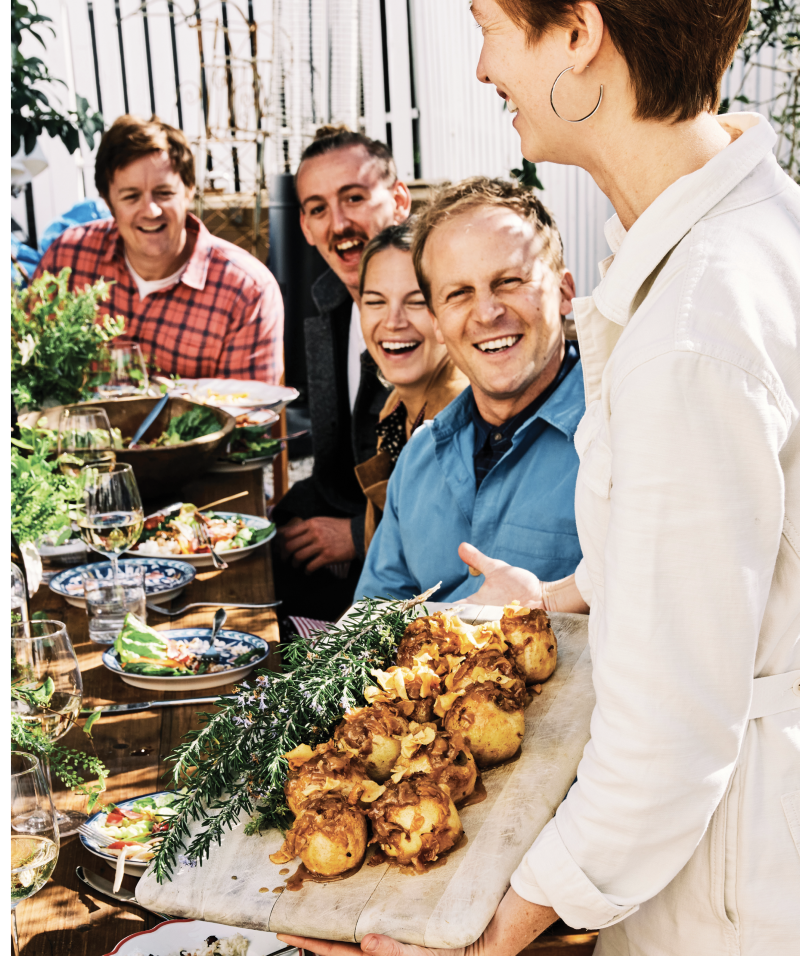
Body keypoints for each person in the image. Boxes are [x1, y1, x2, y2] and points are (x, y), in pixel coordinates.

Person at [280, 2, 800, 956]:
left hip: (726, 896)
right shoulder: (729, 241)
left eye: (489, 23)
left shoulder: (692, 327)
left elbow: (667, 746)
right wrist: (562, 600)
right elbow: (728, 567)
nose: (481, 66)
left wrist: (479, 936)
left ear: (578, 32)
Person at [356, 177, 584, 602]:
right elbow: (370, 621)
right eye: (459, 293)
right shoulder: (418, 458)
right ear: (438, 322)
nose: (487, 312)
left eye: (510, 281)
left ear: (565, 292)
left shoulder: (618, 435)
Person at [272, 126, 411, 620]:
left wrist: (353, 534)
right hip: (359, 534)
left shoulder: (436, 306)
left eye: (353, 198)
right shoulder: (326, 305)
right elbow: (332, 465)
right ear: (305, 228)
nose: (339, 223)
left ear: (398, 201)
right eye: (317, 209)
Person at [33, 114, 283, 383]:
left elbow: (246, 417)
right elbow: (29, 368)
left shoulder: (247, 291)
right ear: (108, 201)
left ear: (189, 190)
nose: (151, 210)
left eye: (164, 193)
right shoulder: (67, 259)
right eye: (131, 196)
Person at [355, 222, 469, 552]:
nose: (393, 321)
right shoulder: (396, 406)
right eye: (375, 301)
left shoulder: (462, 421)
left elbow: (444, 578)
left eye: (417, 301)